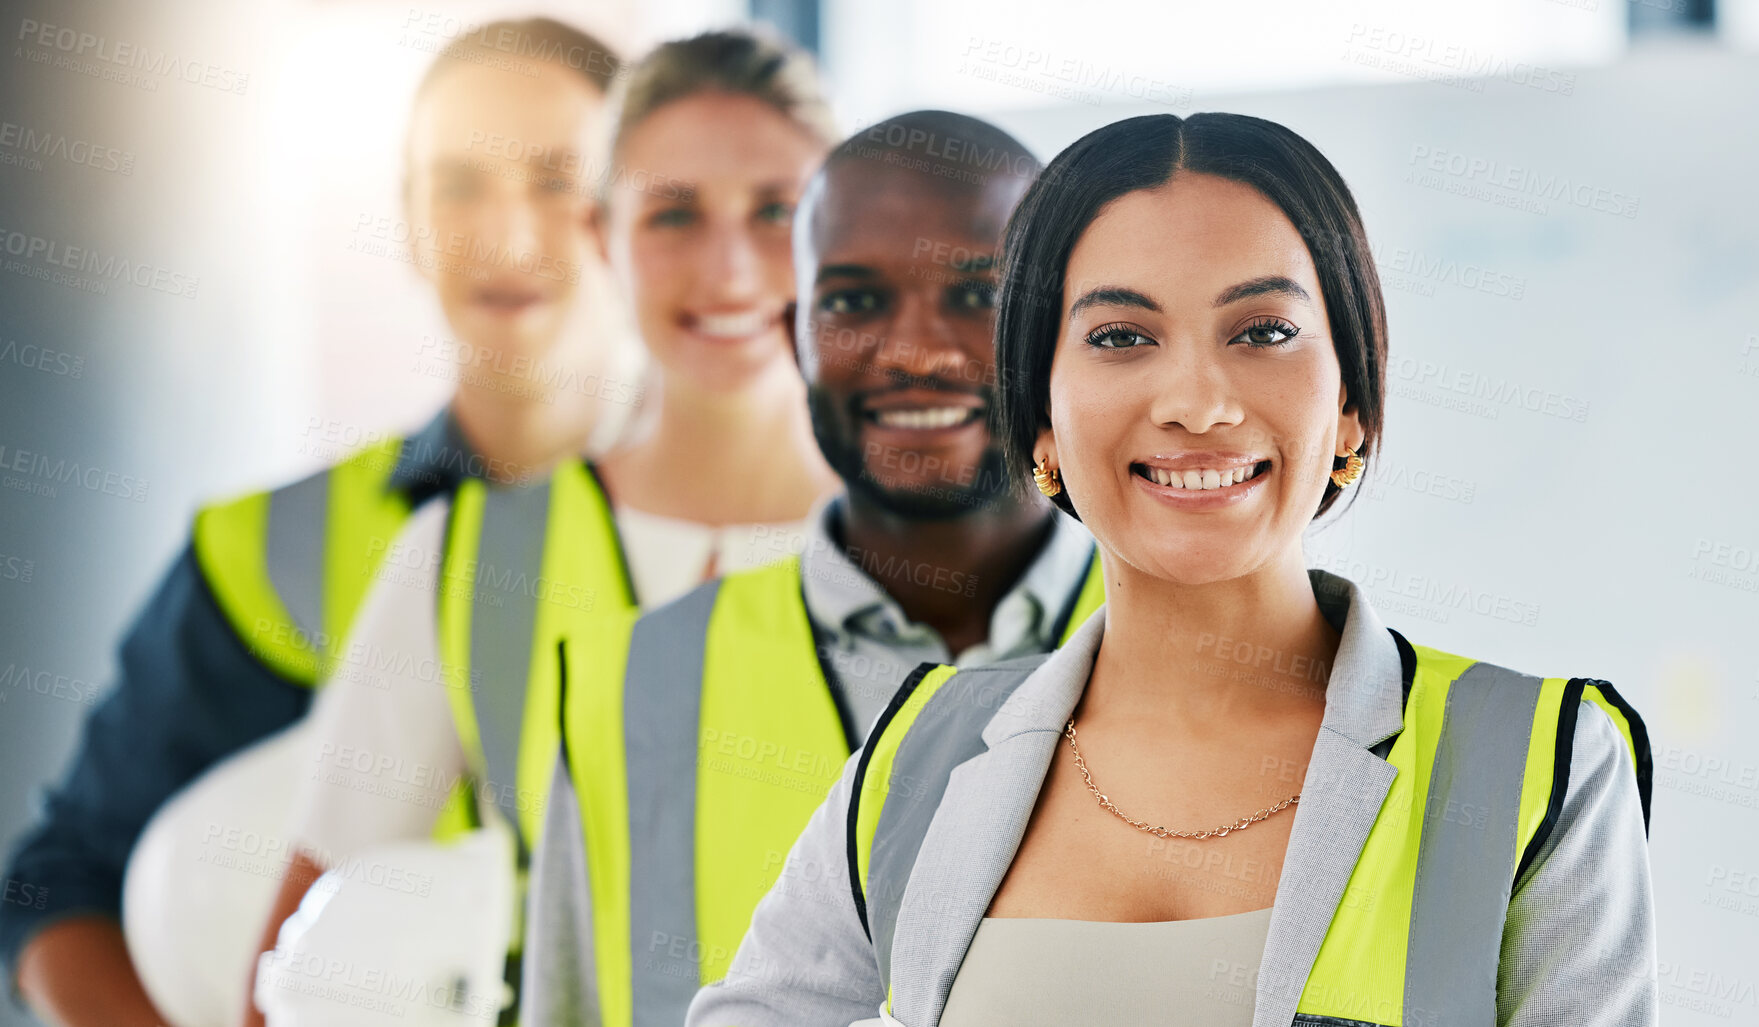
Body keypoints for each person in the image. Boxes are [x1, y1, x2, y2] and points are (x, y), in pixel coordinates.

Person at [688, 112, 1657, 1027]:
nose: (1196, 401)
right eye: (1120, 337)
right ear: (1040, 424)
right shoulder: (918, 757)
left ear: (1352, 402)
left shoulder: (1537, 762)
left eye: (1263, 331)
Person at [0, 18, 631, 1027]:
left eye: (560, 178)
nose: (508, 235)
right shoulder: (272, 551)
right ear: (409, 223)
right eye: (458, 184)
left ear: (640, 210)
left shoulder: (758, 536)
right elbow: (57, 885)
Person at [242, 29, 845, 1026]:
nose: (729, 268)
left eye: (777, 211)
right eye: (674, 213)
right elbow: (294, 972)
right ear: (604, 235)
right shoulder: (464, 560)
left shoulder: (956, 564)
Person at [523, 109, 1108, 1026]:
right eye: (855, 301)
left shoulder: (1204, 657)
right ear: (794, 329)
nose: (915, 351)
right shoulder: (631, 685)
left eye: (976, 296)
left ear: (1059, 325)